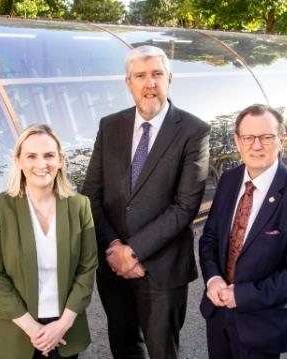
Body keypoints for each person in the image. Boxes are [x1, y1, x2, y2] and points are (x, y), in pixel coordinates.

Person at [81, 45, 211, 359]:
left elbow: (184, 207)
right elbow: (91, 194)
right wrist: (114, 246)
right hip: (112, 267)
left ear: (169, 79)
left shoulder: (194, 131)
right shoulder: (110, 126)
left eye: (156, 74)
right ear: (129, 83)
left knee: (162, 352)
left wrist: (134, 252)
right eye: (140, 75)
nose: (149, 83)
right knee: (124, 348)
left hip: (162, 270)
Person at [198, 104, 287, 359]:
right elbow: (210, 238)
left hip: (262, 327)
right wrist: (213, 279)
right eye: (248, 137)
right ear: (237, 141)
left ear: (281, 140)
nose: (257, 146)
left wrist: (242, 296)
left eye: (266, 137)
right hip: (218, 315)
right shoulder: (229, 180)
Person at [0, 124, 98, 359]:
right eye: (31, 156)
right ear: (19, 161)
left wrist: (62, 325)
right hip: (17, 331)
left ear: (61, 160)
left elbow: (87, 269)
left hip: (65, 331)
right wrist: (33, 329)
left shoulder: (79, 206)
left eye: (49, 155)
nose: (41, 164)